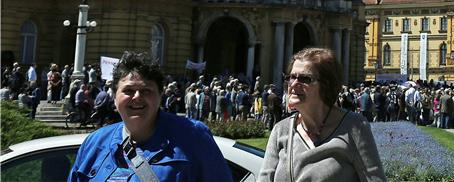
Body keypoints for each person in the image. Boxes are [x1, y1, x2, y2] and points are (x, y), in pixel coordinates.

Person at [68, 51, 232, 182]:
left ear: (160, 96)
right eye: (128, 91)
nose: (137, 97)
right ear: (114, 96)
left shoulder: (193, 136)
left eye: (146, 91)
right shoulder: (95, 143)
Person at [258, 47, 386, 181]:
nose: (294, 84)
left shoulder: (354, 127)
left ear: (326, 85)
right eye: (291, 77)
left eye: (305, 79)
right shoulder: (281, 130)